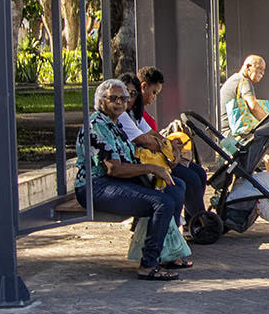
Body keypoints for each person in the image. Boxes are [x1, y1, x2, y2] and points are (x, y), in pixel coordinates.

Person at [75, 78, 187, 280]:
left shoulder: (116, 124)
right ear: (101, 102)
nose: (119, 103)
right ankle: (149, 264)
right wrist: (152, 168)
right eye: (113, 98)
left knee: (175, 187)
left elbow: (133, 155)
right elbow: (113, 169)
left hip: (117, 182)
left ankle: (168, 251)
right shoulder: (97, 126)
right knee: (161, 203)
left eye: (123, 99)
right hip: (95, 187)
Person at [135, 66, 209, 227]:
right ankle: (199, 223)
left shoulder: (140, 113)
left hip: (159, 156)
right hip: (151, 160)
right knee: (191, 179)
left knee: (199, 173)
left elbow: (154, 135)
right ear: (143, 86)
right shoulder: (134, 113)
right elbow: (145, 140)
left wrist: (170, 145)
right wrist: (167, 146)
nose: (154, 97)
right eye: (154, 92)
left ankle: (193, 221)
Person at [219, 54, 269, 172]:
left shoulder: (232, 80)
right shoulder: (244, 81)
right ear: (248, 66)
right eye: (259, 69)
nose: (262, 73)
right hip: (234, 135)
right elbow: (253, 106)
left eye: (263, 70)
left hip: (224, 134)